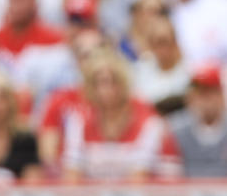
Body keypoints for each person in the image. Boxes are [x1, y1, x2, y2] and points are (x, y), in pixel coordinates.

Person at [60, 48, 164, 182]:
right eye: (100, 82)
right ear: (91, 86)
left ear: (124, 83)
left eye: (113, 81)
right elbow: (71, 174)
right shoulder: (79, 119)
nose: (107, 89)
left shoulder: (147, 120)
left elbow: (139, 178)